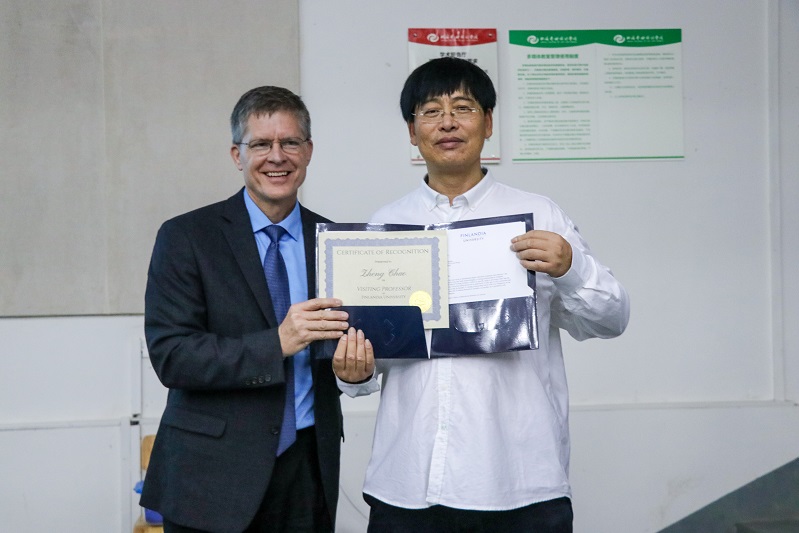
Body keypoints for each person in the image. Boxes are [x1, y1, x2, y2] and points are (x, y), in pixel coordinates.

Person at [332, 57, 630, 532]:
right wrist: (355, 371)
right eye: (431, 111)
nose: (447, 122)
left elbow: (611, 320)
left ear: (488, 123)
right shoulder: (386, 226)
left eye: (463, 108)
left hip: (519, 483)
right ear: (412, 131)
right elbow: (377, 355)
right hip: (408, 482)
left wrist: (571, 266)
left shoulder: (539, 214)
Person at [142, 86, 364, 533]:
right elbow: (173, 356)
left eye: (290, 142)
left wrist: (353, 373)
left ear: (308, 151)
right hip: (210, 477)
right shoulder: (186, 237)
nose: (276, 156)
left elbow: (341, 349)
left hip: (307, 472)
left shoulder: (338, 243)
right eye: (261, 144)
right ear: (236, 155)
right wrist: (277, 342)